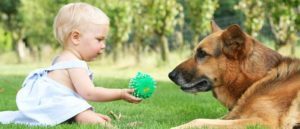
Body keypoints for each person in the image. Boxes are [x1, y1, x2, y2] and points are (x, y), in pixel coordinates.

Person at [0, 2, 141, 127]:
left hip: (52, 104)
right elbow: (89, 93)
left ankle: (89, 118)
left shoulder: (61, 58)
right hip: (56, 103)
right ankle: (105, 125)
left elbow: (73, 97)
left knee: (81, 110)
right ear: (75, 37)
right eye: (99, 39)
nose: (103, 46)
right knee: (82, 113)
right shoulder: (75, 64)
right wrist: (121, 93)